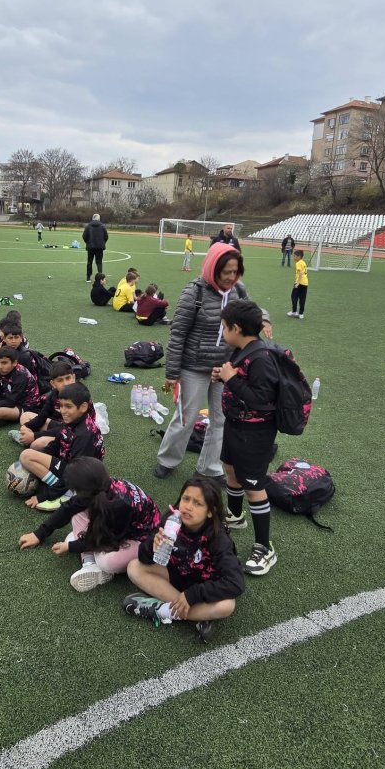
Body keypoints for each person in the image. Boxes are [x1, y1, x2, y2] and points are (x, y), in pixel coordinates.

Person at [153, 241, 272, 481]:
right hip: (193, 368)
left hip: (226, 368)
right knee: (186, 419)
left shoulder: (237, 291)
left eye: (235, 272)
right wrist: (172, 372)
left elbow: (252, 309)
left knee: (222, 419)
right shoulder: (194, 292)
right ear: (212, 268)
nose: (231, 277)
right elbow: (177, 334)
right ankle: (168, 459)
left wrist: (265, 319)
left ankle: (209, 467)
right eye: (226, 271)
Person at [123, 477, 244, 642]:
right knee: (134, 567)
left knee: (227, 606)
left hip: (204, 586)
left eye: (197, 503)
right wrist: (152, 545)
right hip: (177, 576)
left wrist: (193, 594)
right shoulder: (172, 520)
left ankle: (162, 611)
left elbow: (236, 582)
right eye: (186, 499)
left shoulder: (218, 539)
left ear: (210, 511)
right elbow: (144, 558)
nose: (188, 506)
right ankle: (198, 617)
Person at [18, 459, 161, 593]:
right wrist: (39, 534)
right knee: (77, 512)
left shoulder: (119, 505)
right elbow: (68, 508)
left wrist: (71, 547)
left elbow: (105, 540)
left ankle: (98, 565)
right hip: (116, 528)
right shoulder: (98, 487)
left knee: (108, 562)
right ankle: (89, 562)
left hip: (140, 538)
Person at [215, 299, 279, 575]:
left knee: (253, 485)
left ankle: (265, 547)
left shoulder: (262, 358)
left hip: (255, 433)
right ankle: (236, 515)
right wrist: (224, 376)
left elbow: (262, 401)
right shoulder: (243, 351)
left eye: (224, 327)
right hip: (235, 426)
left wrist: (231, 380)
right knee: (230, 470)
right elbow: (242, 384)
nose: (223, 332)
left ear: (237, 328)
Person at [19, 382, 105, 512]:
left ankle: (67, 494)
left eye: (68, 406)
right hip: (70, 465)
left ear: (83, 407)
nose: (63, 411)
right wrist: (40, 459)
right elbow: (56, 445)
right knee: (31, 453)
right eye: (61, 406)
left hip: (82, 479)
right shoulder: (72, 421)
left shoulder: (84, 434)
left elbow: (75, 471)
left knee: (26, 456)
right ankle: (58, 486)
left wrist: (44, 496)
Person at [13, 360, 77, 449]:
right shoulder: (54, 394)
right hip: (59, 426)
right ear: (53, 384)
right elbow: (42, 416)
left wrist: (35, 435)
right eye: (60, 380)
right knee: (25, 416)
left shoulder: (79, 397)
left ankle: (29, 440)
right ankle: (27, 438)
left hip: (74, 435)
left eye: (68, 378)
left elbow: (68, 429)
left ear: (74, 377)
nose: (65, 383)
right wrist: (26, 426)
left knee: (37, 444)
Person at [82, 213, 109, 282]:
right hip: (99, 247)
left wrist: (88, 243)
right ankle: (100, 279)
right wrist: (102, 243)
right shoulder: (102, 226)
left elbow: (84, 236)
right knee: (99, 262)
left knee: (89, 262)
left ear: (92, 218)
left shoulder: (88, 226)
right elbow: (106, 237)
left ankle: (88, 278)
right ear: (99, 219)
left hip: (90, 247)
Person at [288, 249, 308, 319]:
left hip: (299, 283)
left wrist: (298, 283)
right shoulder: (303, 262)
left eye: (295, 256)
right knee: (302, 298)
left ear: (299, 256)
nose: (294, 257)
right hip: (305, 283)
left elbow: (300, 273)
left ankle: (294, 312)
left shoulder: (298, 263)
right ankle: (301, 314)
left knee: (294, 297)